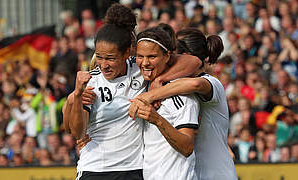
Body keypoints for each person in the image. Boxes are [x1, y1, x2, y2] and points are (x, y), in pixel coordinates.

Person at [63, 4, 201, 180]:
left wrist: (160, 80)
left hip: (134, 169)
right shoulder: (92, 81)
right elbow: (77, 133)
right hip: (95, 169)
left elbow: (193, 61)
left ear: (127, 53)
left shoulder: (140, 67)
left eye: (111, 59)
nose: (104, 65)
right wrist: (76, 96)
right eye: (100, 57)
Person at [130, 28, 238, 180]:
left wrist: (151, 93)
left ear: (183, 57)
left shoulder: (212, 83)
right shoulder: (174, 85)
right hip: (195, 173)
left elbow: (195, 84)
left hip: (217, 173)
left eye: (174, 56)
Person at [130, 26, 200, 180]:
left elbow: (187, 147)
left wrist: (157, 119)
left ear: (167, 57)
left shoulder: (181, 95)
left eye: (152, 56)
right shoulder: (142, 84)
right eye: (140, 56)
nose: (145, 63)